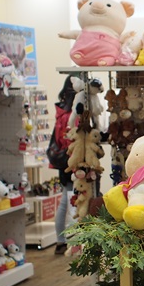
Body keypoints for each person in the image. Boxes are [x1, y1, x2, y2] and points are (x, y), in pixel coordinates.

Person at [52, 75, 77, 254]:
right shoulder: (72, 115)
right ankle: (71, 241)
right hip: (73, 163)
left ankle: (61, 241)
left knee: (65, 201)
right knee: (73, 202)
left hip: (63, 163)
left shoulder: (61, 112)